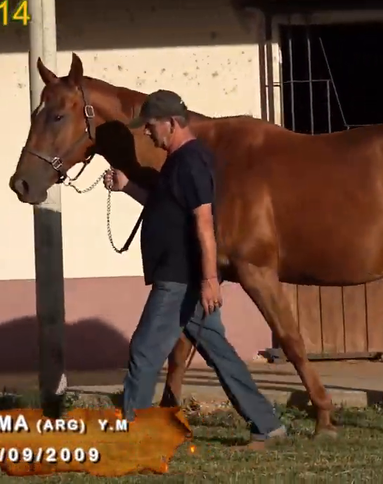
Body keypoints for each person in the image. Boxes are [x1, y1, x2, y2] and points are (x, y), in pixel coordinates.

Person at [106, 89, 287, 449]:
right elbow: (162, 206)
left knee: (144, 351)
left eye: (151, 126)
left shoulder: (190, 162)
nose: (146, 132)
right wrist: (127, 187)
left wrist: (208, 280)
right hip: (184, 278)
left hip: (181, 278)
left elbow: (204, 223)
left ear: (172, 123)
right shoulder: (177, 161)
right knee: (219, 353)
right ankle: (268, 425)